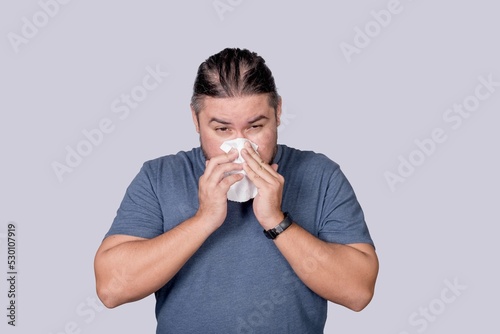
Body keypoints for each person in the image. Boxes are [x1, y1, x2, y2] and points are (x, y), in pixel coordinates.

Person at [94, 48, 379, 333]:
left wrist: (277, 222)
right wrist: (204, 220)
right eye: (222, 130)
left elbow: (357, 292)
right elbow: (111, 289)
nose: (241, 146)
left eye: (255, 126)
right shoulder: (159, 177)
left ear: (278, 112)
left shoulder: (320, 175)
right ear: (196, 120)